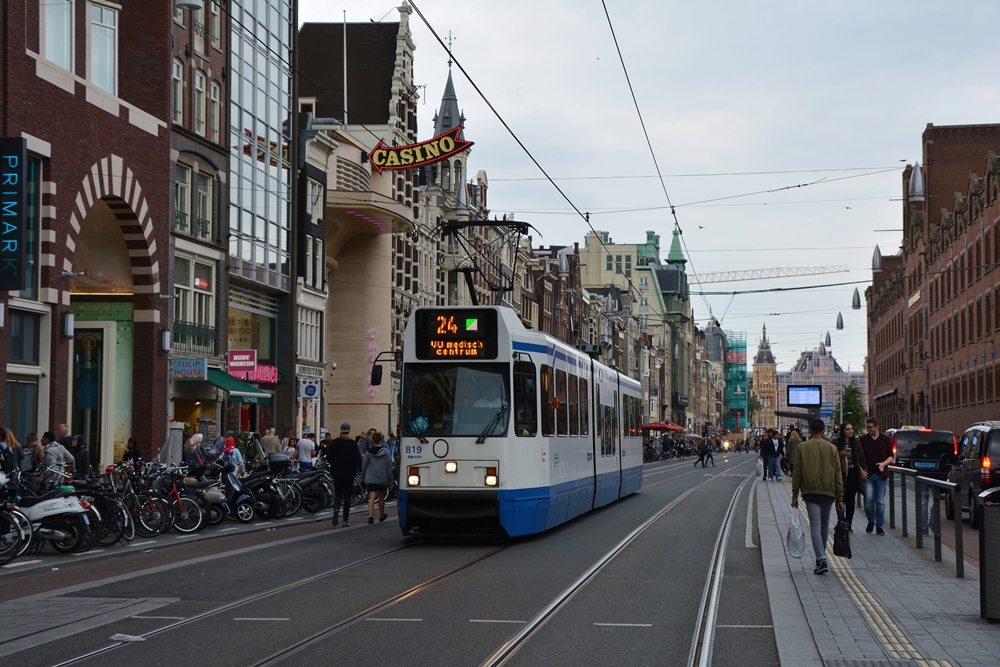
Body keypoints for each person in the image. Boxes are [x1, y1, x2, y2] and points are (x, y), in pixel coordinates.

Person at [791, 419, 845, 575]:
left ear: (811, 431)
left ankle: (821, 558)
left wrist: (794, 495)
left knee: (815, 524)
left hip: (810, 492)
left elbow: (797, 473)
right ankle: (821, 556)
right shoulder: (832, 448)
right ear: (823, 431)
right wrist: (840, 498)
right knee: (824, 524)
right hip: (828, 492)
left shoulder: (802, 447)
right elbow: (838, 474)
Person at [859, 417, 894, 535]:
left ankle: (879, 525)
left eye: (870, 427)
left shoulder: (886, 439)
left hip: (880, 474)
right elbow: (858, 457)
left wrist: (883, 464)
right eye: (867, 427)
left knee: (880, 501)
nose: (868, 429)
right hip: (868, 473)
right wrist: (861, 470)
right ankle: (870, 520)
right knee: (868, 498)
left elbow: (891, 456)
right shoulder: (863, 440)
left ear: (877, 426)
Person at [325, 423, 362, 527]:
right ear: (349, 431)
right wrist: (361, 470)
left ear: (340, 430)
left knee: (338, 494)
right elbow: (357, 459)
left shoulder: (335, 442)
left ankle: (336, 509)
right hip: (349, 473)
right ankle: (345, 520)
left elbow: (329, 457)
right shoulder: (353, 443)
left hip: (337, 472)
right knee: (347, 497)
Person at [834, 423, 868, 532]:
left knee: (850, 500)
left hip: (853, 473)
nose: (850, 431)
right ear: (843, 431)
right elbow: (830, 457)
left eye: (852, 429)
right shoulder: (836, 443)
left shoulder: (856, 443)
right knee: (840, 498)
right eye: (847, 429)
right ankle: (841, 520)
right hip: (840, 474)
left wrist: (863, 470)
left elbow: (861, 459)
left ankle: (848, 524)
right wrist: (840, 454)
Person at [362, 432, 393, 524]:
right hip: (382, 477)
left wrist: (363, 475)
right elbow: (389, 465)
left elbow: (364, 465)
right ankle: (381, 515)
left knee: (372, 496)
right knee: (381, 497)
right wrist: (390, 477)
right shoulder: (386, 452)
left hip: (371, 477)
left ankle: (370, 516)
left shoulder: (368, 452)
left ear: (372, 440)